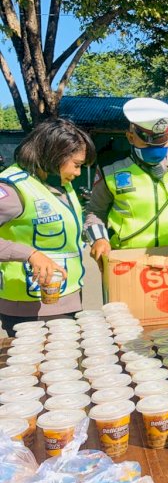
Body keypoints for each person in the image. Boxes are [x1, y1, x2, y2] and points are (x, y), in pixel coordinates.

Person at [0, 119, 96, 335]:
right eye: (77, 165)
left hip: (66, 299)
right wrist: (30, 254)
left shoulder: (60, 185)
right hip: (28, 309)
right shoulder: (13, 190)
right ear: (55, 156)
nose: (79, 173)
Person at [84, 98, 168, 261]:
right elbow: (95, 212)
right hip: (126, 261)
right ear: (130, 137)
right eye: (148, 144)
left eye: (161, 142)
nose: (156, 150)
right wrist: (99, 239)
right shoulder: (111, 169)